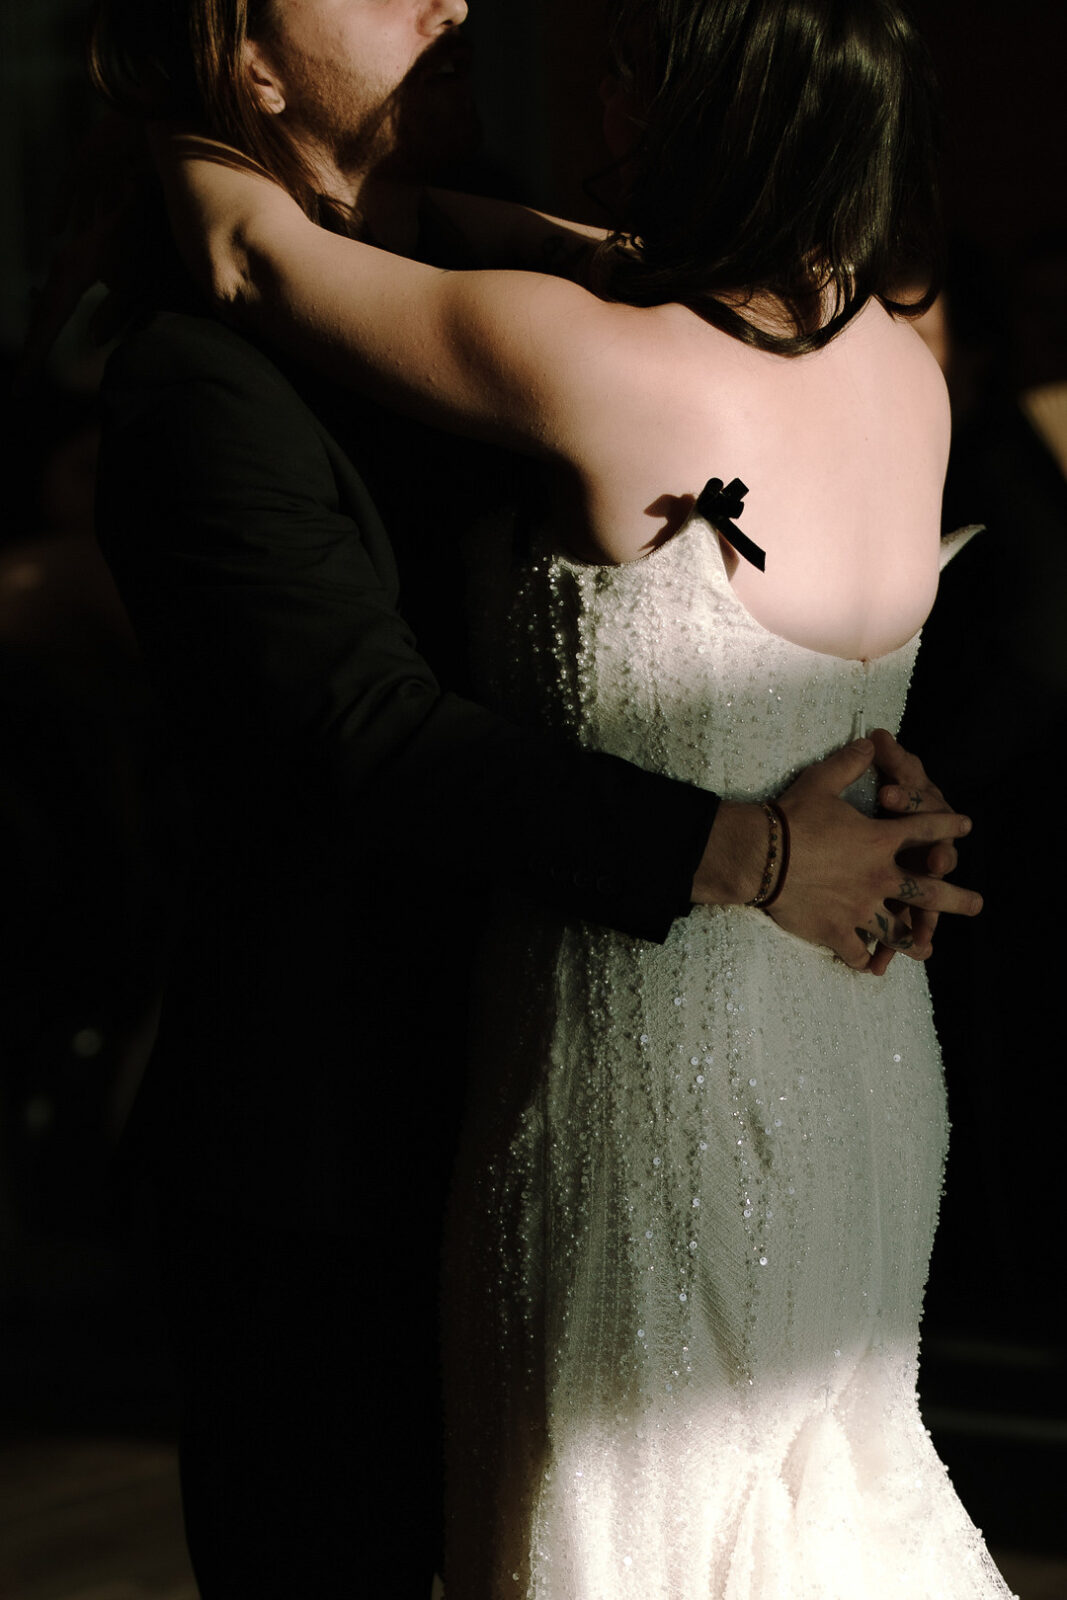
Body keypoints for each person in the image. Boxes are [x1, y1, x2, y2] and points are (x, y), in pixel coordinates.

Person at [88, 0, 983, 1594]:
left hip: (644, 1080)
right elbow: (369, 734)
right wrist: (803, 822)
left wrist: (192, 152)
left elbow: (267, 249)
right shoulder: (880, 365)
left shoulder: (592, 341)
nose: (460, 4)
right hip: (415, 1116)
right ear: (248, 51)